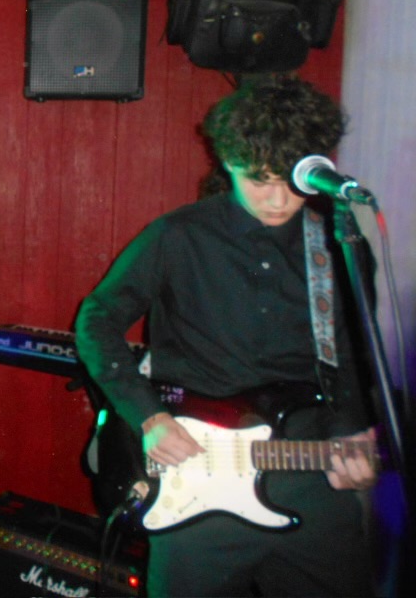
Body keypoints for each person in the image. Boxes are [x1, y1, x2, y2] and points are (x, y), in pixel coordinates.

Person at [75, 77, 378, 597]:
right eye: (258, 179)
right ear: (229, 164)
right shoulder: (178, 235)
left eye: (290, 180)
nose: (277, 198)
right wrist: (148, 416)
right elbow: (97, 320)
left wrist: (354, 429)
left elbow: (354, 355)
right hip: (197, 471)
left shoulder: (337, 244)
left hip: (310, 475)